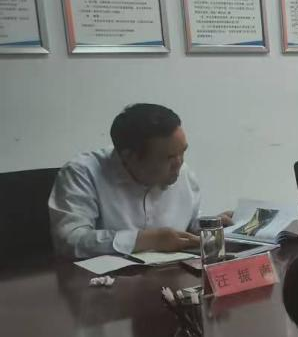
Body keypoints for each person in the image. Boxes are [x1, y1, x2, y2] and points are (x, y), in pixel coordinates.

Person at [48, 103, 224, 259]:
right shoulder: (83, 173)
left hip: (171, 276)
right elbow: (70, 241)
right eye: (169, 157)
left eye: (182, 152)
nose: (179, 163)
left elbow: (190, 225)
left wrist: (211, 226)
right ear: (129, 157)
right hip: (102, 282)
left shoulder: (183, 172)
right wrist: (147, 240)